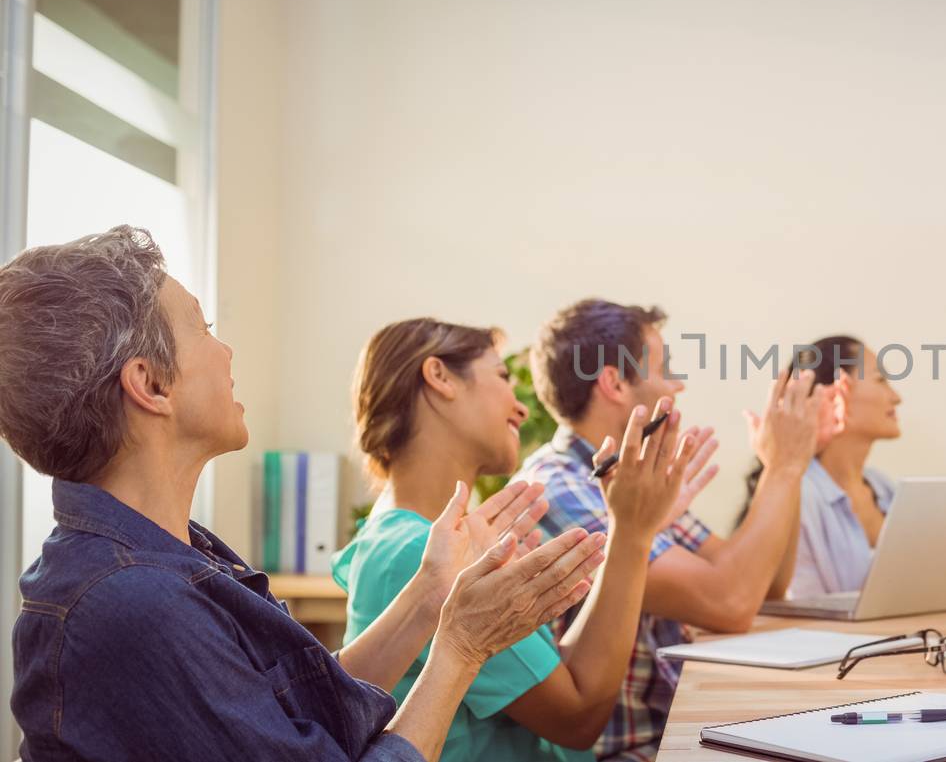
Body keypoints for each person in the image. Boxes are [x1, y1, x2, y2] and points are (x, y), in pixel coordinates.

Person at [1, 226, 607, 762]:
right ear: (151, 384)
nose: (226, 348)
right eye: (204, 328)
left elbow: (304, 719)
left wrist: (431, 594)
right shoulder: (132, 607)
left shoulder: (169, 557)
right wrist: (461, 645)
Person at [339, 319, 710, 762]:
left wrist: (636, 530)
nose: (519, 408)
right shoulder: (415, 553)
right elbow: (578, 718)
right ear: (439, 378)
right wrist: (630, 534)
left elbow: (563, 682)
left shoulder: (406, 537)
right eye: (501, 376)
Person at [512, 299, 821, 761]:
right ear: (615, 382)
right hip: (637, 750)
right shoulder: (557, 488)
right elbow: (731, 602)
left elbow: (764, 584)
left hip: (686, 721)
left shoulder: (634, 475)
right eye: (665, 368)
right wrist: (782, 467)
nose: (677, 384)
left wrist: (789, 468)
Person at [745, 336, 902, 598]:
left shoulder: (885, 488)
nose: (896, 397)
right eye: (880, 380)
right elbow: (796, 608)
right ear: (837, 391)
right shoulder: (799, 495)